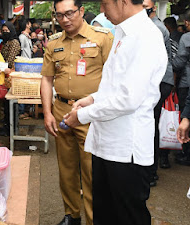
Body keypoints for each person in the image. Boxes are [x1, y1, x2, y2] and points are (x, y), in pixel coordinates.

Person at [63, 0, 168, 224]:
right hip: (108, 144)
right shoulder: (122, 33)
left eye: (105, 3)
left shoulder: (145, 36)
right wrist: (92, 99)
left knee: (127, 216)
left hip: (126, 148)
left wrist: (81, 116)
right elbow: (114, 87)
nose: (102, 10)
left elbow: (128, 99)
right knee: (104, 214)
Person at [40, 0, 113, 224]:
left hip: (91, 113)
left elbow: (114, 78)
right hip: (62, 111)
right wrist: (47, 113)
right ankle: (71, 215)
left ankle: (93, 219)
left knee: (91, 172)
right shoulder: (53, 43)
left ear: (81, 11)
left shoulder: (102, 38)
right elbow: (46, 79)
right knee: (67, 169)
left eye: (69, 13)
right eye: (59, 15)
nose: (65, 19)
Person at [143, 0, 174, 184]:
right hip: (162, 80)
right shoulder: (154, 26)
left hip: (159, 81)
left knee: (150, 125)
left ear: (152, 8)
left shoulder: (154, 28)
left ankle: (151, 172)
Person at [173, 11, 190, 166]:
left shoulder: (186, 37)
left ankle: (186, 154)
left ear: (187, 23)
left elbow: (179, 62)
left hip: (186, 82)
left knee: (186, 117)